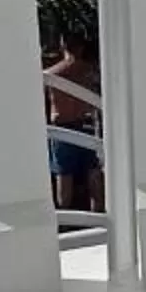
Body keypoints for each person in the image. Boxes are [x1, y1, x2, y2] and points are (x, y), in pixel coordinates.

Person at [44, 40, 103, 214]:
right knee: (93, 170)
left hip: (62, 127)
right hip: (86, 123)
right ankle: (99, 213)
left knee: (64, 174)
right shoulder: (89, 72)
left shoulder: (53, 73)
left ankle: (64, 217)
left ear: (63, 46)